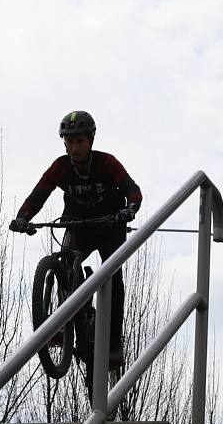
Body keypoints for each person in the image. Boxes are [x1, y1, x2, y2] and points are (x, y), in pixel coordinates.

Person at [9, 110, 143, 368]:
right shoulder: (60, 167)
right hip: (78, 224)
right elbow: (39, 194)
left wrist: (129, 209)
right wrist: (23, 217)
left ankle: (114, 342)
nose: (74, 148)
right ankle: (65, 319)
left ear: (90, 141)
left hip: (109, 225)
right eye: (69, 142)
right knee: (66, 261)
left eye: (79, 141)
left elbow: (133, 192)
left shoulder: (107, 163)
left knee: (113, 277)